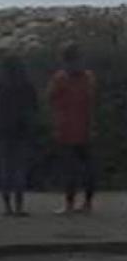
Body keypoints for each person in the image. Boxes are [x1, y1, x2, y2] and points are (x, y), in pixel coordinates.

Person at [48, 43, 96, 214]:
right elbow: (91, 98)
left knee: (69, 169)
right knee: (88, 168)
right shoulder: (88, 76)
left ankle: (69, 204)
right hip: (86, 126)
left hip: (65, 127)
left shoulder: (60, 78)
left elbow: (52, 98)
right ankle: (88, 203)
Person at [0, 56, 38, 216]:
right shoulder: (27, 85)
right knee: (20, 168)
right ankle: (19, 206)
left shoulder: (1, 85)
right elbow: (34, 107)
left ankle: (7, 207)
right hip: (22, 129)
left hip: (4, 129)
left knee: (6, 168)